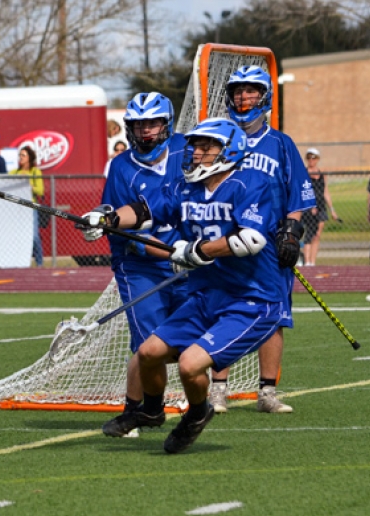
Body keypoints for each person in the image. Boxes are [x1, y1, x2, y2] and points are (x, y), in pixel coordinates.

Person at [80, 118, 284, 453]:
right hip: (207, 294)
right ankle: (150, 409)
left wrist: (196, 250)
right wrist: (107, 219)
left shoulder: (251, 183)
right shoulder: (186, 187)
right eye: (196, 146)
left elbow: (250, 239)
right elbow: (145, 211)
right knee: (148, 352)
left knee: (190, 364)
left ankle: (196, 414)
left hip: (250, 299)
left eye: (206, 147)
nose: (196, 153)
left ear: (229, 149)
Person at [208, 65, 315, 415]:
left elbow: (298, 195)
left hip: (269, 245)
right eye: (238, 91)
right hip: (226, 240)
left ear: (264, 95)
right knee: (222, 310)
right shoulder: (216, 139)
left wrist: (292, 233)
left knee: (274, 315)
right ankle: (217, 390)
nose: (243, 97)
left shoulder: (281, 144)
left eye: (251, 90)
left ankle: (267, 392)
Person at [85, 92, 189, 438]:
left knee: (195, 338)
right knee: (148, 345)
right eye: (139, 124)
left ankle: (204, 398)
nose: (146, 131)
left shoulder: (188, 151)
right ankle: (139, 410)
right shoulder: (121, 166)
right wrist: (102, 220)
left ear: (167, 123)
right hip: (140, 263)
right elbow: (119, 225)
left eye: (153, 123)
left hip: (191, 259)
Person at [300, 148, 338, 266]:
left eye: (314, 157)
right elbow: (303, 192)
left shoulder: (322, 174)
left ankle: (313, 261)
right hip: (309, 208)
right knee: (309, 234)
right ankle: (307, 261)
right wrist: (310, 205)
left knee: (317, 235)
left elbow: (325, 192)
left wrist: (332, 209)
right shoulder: (304, 173)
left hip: (321, 207)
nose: (311, 160)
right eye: (309, 157)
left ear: (318, 159)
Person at [10, 145, 45, 267]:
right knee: (17, 235)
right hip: (17, 208)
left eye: (23, 155)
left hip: (31, 207)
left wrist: (29, 184)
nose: (21, 158)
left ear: (30, 158)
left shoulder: (35, 172)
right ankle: (18, 262)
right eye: (20, 155)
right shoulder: (14, 172)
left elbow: (40, 191)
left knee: (34, 236)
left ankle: (39, 262)